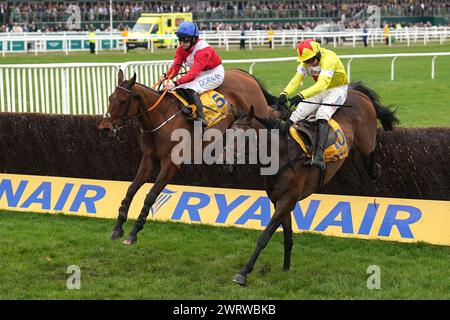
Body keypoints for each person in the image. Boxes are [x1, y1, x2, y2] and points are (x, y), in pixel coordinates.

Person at [276, 39, 349, 170]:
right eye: (306, 61)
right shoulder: (306, 62)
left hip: (338, 89)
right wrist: (284, 93)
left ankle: (319, 157)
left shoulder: (329, 59)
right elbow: (297, 78)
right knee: (297, 113)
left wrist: (301, 95)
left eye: (310, 61)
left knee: (322, 113)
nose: (308, 64)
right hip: (321, 89)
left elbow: (322, 84)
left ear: (318, 54)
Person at [162, 21, 224, 127]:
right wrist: (166, 76)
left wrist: (175, 83)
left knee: (192, 88)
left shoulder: (203, 50)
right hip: (200, 74)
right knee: (176, 90)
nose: (182, 43)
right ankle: (187, 111)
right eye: (180, 39)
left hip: (214, 73)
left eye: (185, 40)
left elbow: (192, 74)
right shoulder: (181, 49)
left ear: (194, 39)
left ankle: (201, 117)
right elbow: (176, 68)